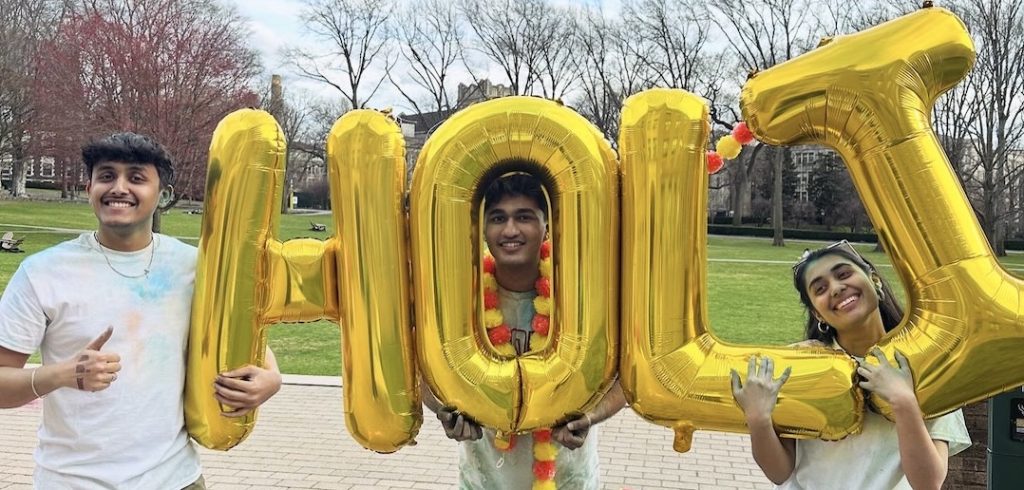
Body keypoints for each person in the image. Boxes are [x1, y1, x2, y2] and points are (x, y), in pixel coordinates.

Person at [0, 133, 282, 489]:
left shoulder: (195, 267)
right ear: (89, 188)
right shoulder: (43, 272)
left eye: (136, 178)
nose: (118, 187)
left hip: (176, 480)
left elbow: (245, 334)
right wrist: (61, 374)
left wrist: (271, 377)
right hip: (71, 482)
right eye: (106, 176)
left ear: (162, 195)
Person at [422, 172, 626, 489]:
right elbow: (417, 366)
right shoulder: (459, 297)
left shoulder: (580, 293)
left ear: (547, 227)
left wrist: (590, 417)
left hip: (569, 480)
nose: (510, 230)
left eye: (524, 217)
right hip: (483, 480)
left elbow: (626, 373)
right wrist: (444, 412)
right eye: (498, 218)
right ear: (482, 229)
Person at [730, 240, 971, 489]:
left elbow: (928, 483)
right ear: (818, 314)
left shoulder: (927, 362)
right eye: (820, 289)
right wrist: (759, 420)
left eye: (843, 274)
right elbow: (780, 472)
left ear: (874, 280)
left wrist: (903, 401)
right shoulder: (801, 363)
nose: (835, 288)